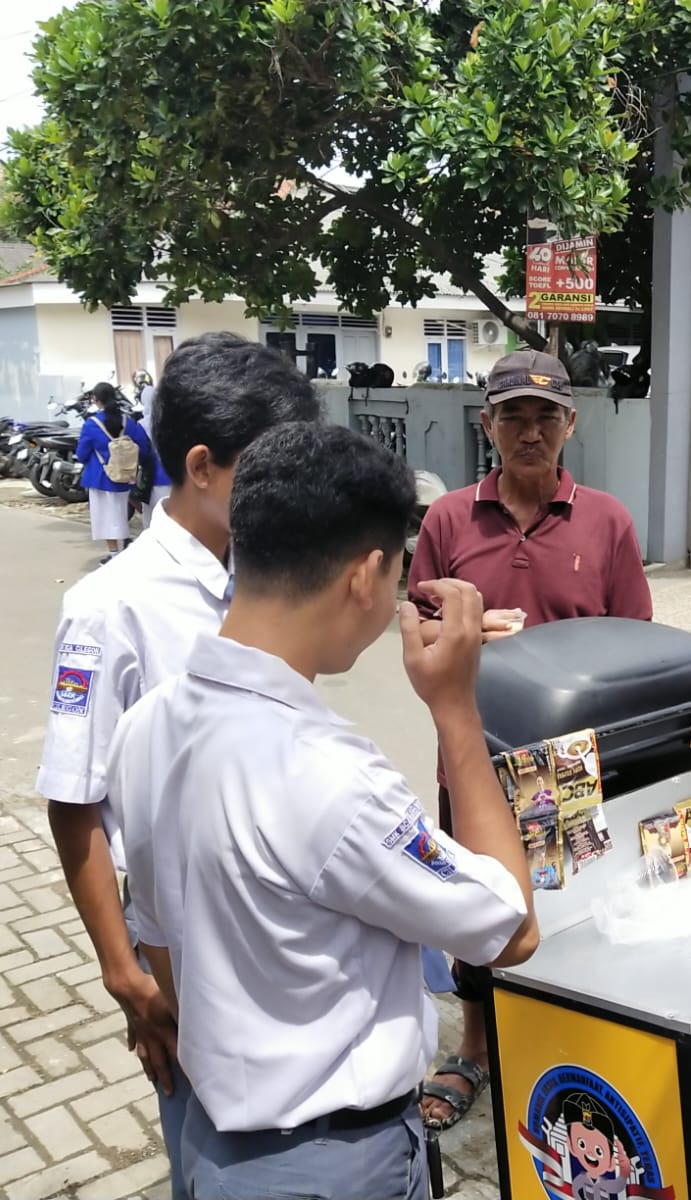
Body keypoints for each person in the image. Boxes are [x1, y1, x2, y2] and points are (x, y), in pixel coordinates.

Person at [107, 421, 538, 1200]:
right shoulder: (331, 776)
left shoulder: (146, 725)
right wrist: (456, 710)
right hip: (335, 1164)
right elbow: (511, 930)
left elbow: (159, 936)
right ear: (367, 575)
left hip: (214, 1143)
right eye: (399, 570)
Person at [37, 334, 318, 1200]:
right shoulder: (108, 609)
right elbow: (74, 799)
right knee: (208, 1135)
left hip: (275, 904)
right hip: (179, 934)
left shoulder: (263, 574)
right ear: (201, 466)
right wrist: (125, 973)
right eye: (266, 468)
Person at [406, 349, 651, 1129]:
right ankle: (476, 1046)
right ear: (489, 426)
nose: (530, 431)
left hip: (574, 762)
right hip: (474, 752)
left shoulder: (607, 520)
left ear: (571, 425)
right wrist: (469, 633)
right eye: (513, 415)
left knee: (582, 897)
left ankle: (572, 1030)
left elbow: (635, 641)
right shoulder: (449, 519)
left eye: (546, 416)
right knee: (478, 903)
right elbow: (417, 629)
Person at [78, 382, 154, 560]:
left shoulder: (91, 424)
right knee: (120, 513)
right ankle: (123, 546)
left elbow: (82, 454)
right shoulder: (129, 422)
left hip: (99, 477)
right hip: (125, 476)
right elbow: (143, 448)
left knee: (105, 517)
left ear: (96, 400)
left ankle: (114, 553)